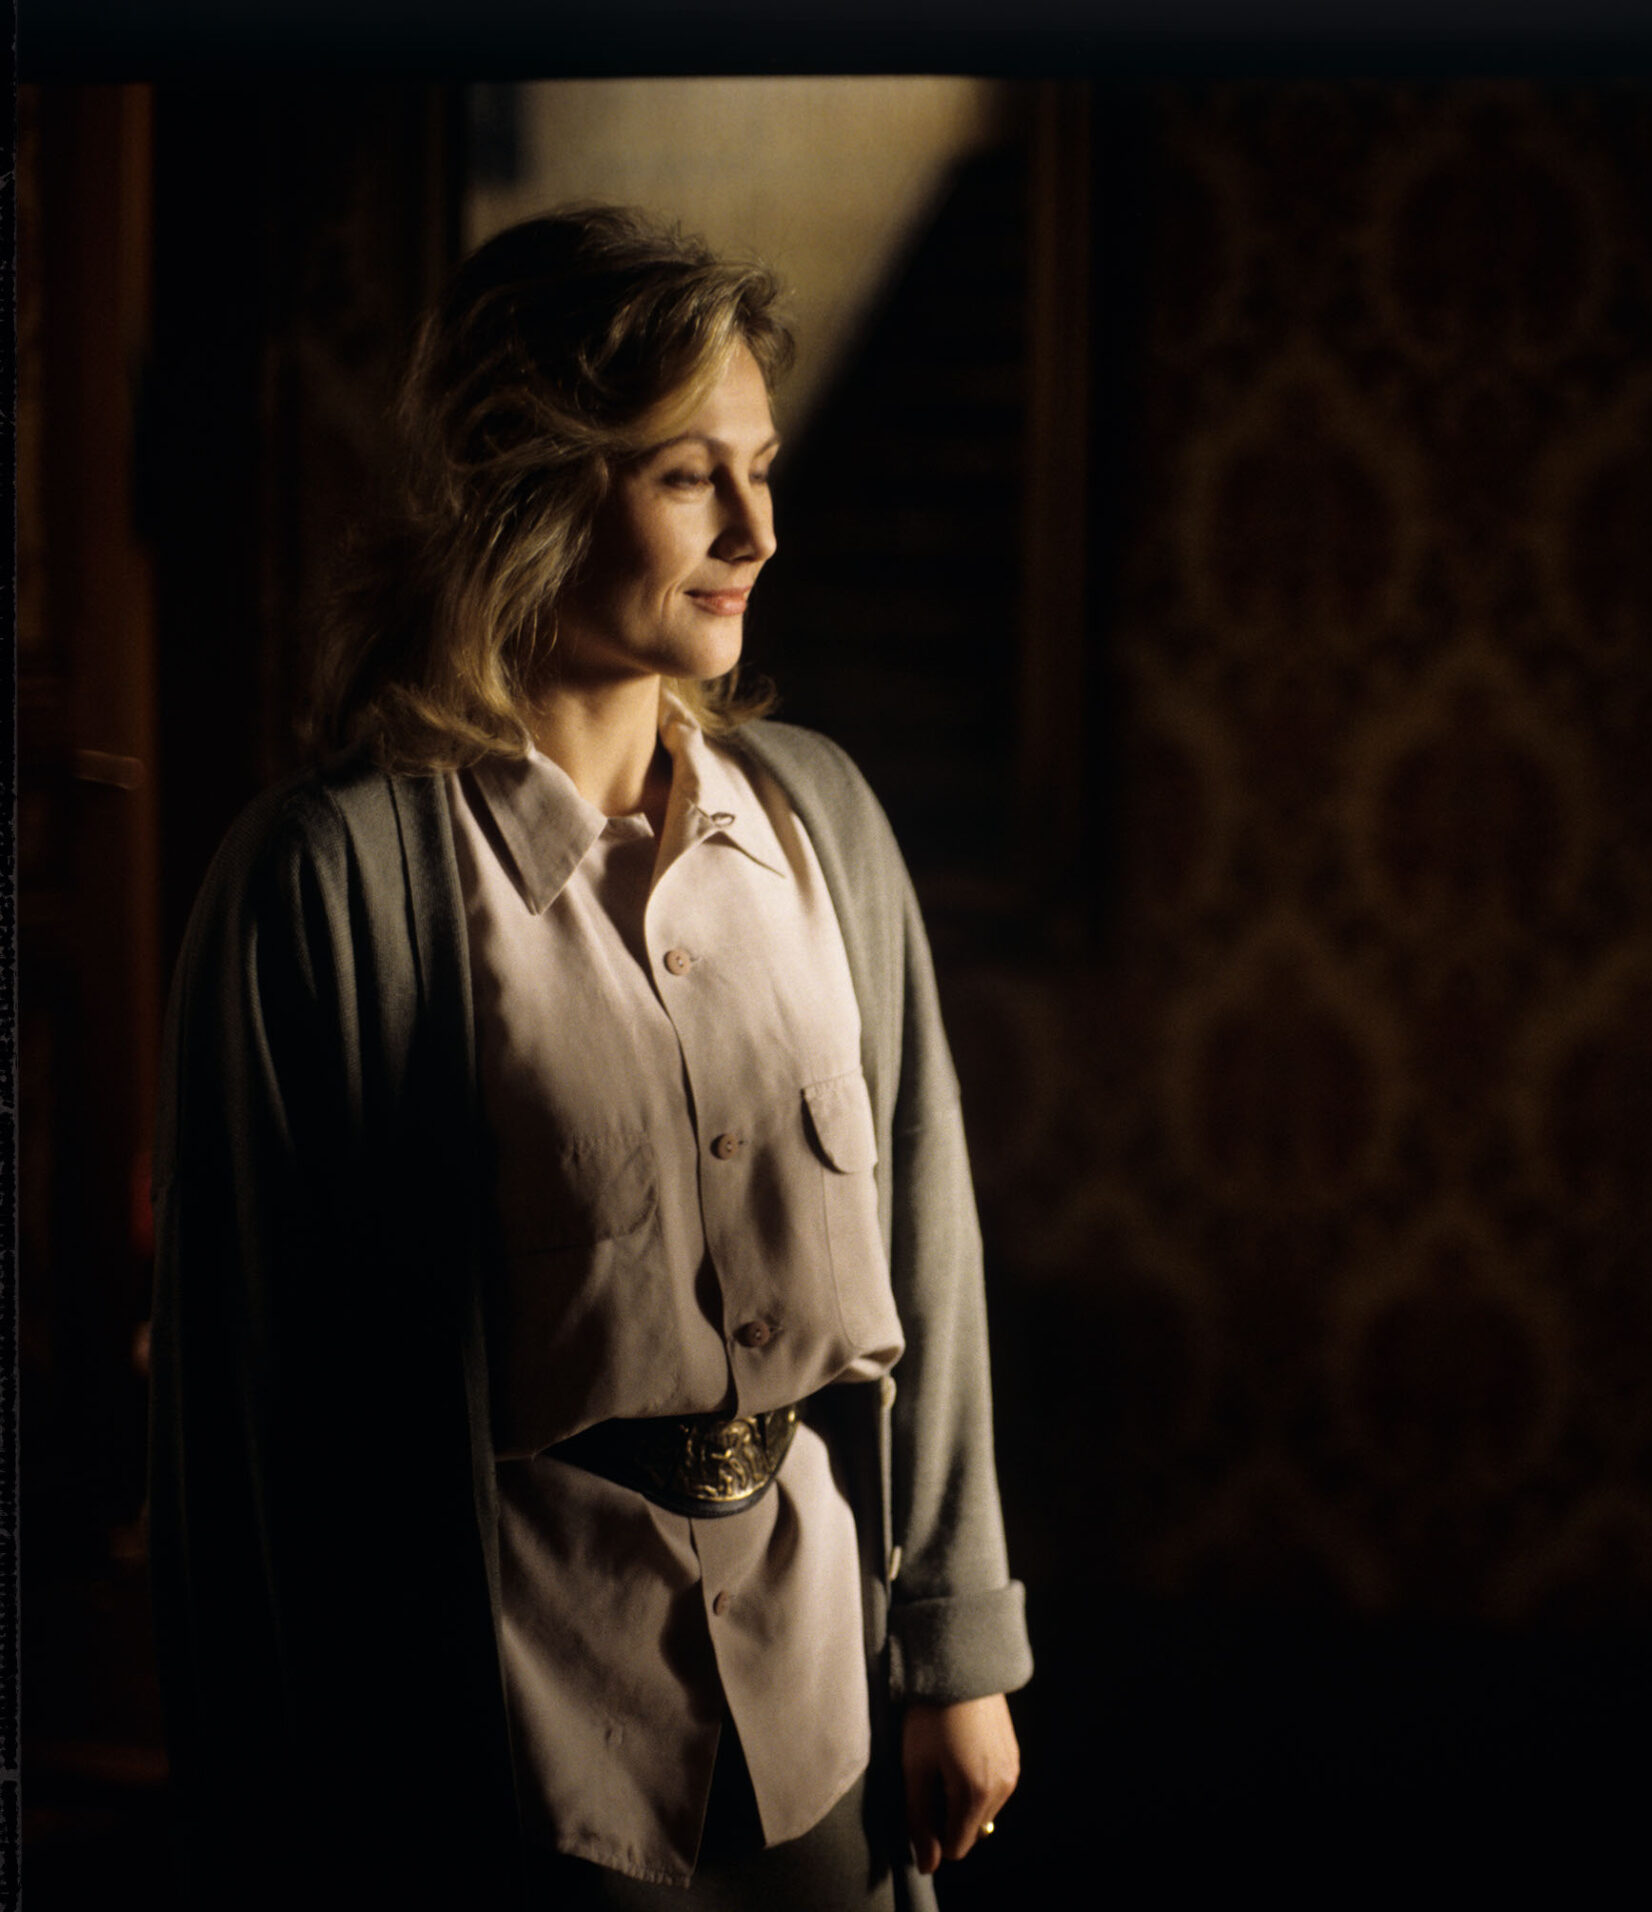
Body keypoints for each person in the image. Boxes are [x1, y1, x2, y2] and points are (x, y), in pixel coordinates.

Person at [149, 205, 1028, 1910]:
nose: (758, 529)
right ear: (533, 487)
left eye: (762, 469)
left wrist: (959, 1648)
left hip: (825, 1705)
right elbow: (236, 1430)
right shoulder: (327, 890)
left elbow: (933, 1250)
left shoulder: (826, 825)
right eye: (691, 477)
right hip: (500, 1745)